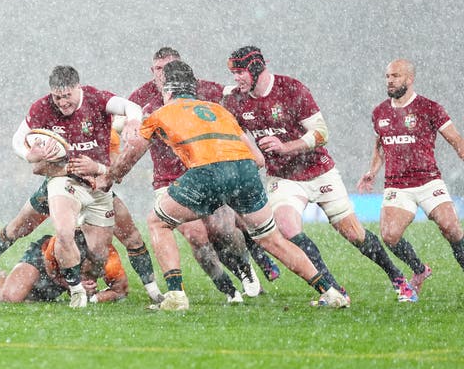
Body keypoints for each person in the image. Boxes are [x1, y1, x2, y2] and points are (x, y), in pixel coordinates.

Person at [106, 60, 349, 310]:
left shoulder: (159, 114)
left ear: (167, 91)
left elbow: (129, 157)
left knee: (158, 222)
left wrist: (109, 177)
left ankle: (176, 296)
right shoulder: (219, 110)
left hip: (206, 171)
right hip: (244, 170)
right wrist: (233, 178)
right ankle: (330, 292)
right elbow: (259, 159)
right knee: (272, 238)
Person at [221, 46, 418, 303]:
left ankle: (398, 279)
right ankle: (333, 290)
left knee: (354, 234)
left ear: (257, 68)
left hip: (319, 171)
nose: (237, 78)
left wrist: (285, 147)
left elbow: (322, 133)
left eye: (241, 72)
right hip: (283, 177)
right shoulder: (235, 99)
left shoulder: (291, 89)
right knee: (287, 228)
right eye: (234, 73)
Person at [0, 65, 142, 309]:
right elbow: (20, 143)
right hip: (59, 182)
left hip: (94, 187)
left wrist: (134, 120)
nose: (63, 102)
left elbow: (131, 108)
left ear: (78, 88)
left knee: (109, 245)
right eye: (57, 97)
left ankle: (152, 289)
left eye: (67, 96)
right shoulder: (43, 107)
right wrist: (29, 154)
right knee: (23, 228)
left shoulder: (98, 102)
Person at [127, 47, 280, 301]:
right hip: (168, 179)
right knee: (195, 236)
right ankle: (228, 290)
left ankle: (245, 269)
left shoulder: (204, 89)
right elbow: (127, 120)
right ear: (152, 70)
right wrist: (130, 124)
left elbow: (236, 100)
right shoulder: (140, 98)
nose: (164, 74)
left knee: (222, 230)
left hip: (207, 169)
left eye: (170, 67)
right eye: (159, 69)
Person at [0, 120, 164, 304]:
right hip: (58, 189)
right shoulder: (61, 124)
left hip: (96, 193)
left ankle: (153, 292)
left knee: (127, 239)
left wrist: (97, 168)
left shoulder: (108, 128)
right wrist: (68, 169)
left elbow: (117, 171)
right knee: (18, 228)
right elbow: (38, 168)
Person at [357, 58, 464, 293]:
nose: (390, 80)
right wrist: (372, 171)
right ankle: (419, 269)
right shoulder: (379, 112)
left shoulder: (429, 108)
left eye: (395, 76)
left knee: (452, 228)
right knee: (389, 236)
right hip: (397, 185)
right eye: (388, 76)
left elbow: (456, 140)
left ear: (410, 79)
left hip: (429, 181)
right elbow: (380, 147)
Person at [0, 232, 128, 304]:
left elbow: (121, 290)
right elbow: (51, 270)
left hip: (62, 280)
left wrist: (94, 297)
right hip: (42, 261)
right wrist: (74, 285)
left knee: (31, 299)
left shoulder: (109, 258)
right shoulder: (63, 243)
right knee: (12, 297)